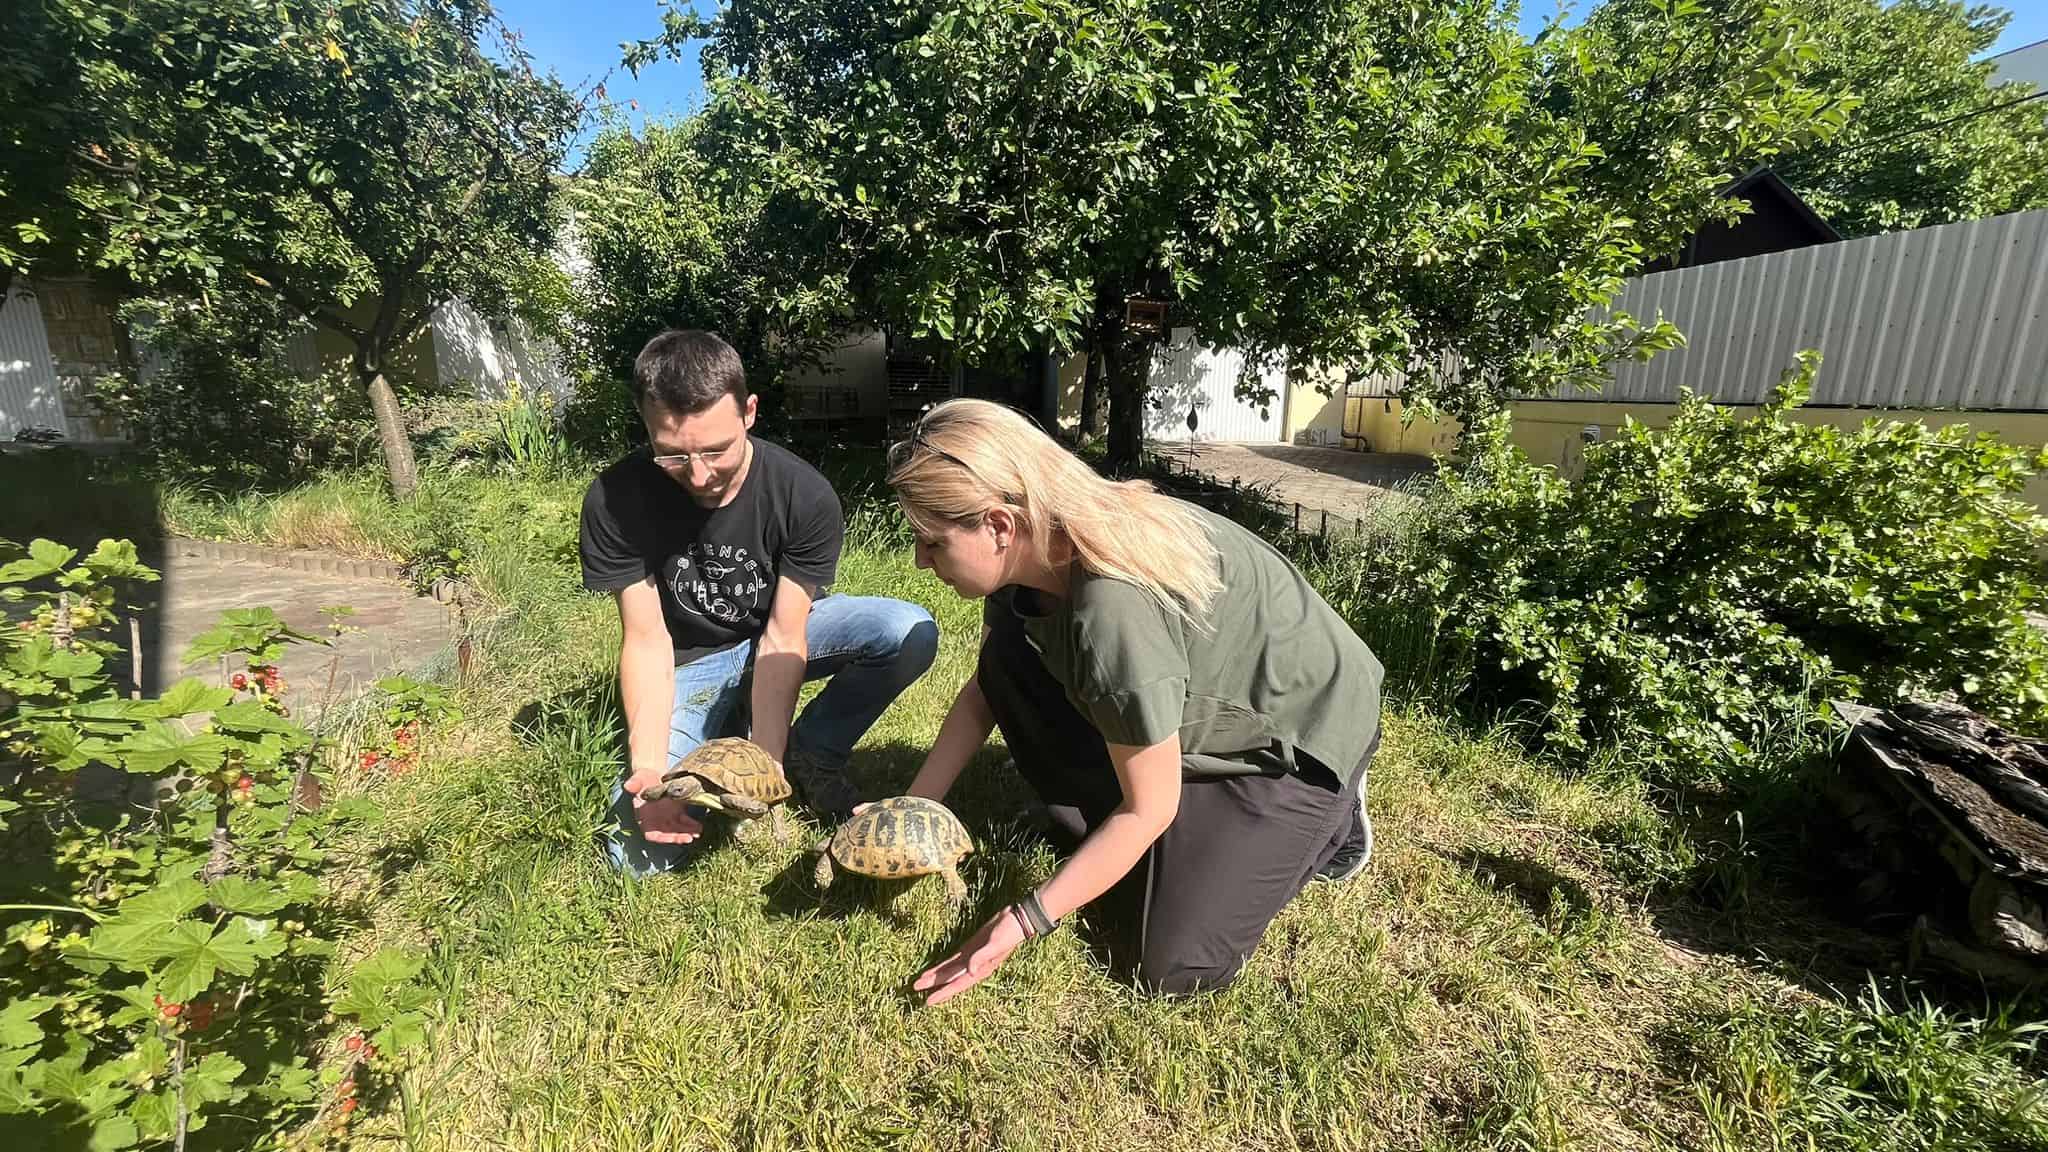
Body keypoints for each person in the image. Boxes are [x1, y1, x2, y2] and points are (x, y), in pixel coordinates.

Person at [886, 398, 1381, 1003]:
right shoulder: (1030, 553)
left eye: (932, 542)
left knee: (1173, 964)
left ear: (997, 525)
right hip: (1172, 690)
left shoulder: (1109, 610)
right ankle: (1145, 815)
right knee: (1008, 660)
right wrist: (912, 809)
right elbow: (987, 693)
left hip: (1301, 728)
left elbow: (1150, 807)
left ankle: (1332, 822)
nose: (920, 560)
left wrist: (1023, 921)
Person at [579, 329, 939, 876]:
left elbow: (783, 635)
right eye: (672, 455)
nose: (699, 476)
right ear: (646, 425)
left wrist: (765, 769)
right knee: (637, 857)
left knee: (906, 628)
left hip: (777, 632)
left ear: (749, 412)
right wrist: (651, 770)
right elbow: (648, 642)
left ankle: (809, 752)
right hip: (688, 662)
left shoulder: (804, 495)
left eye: (716, 450)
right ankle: (725, 718)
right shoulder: (614, 499)